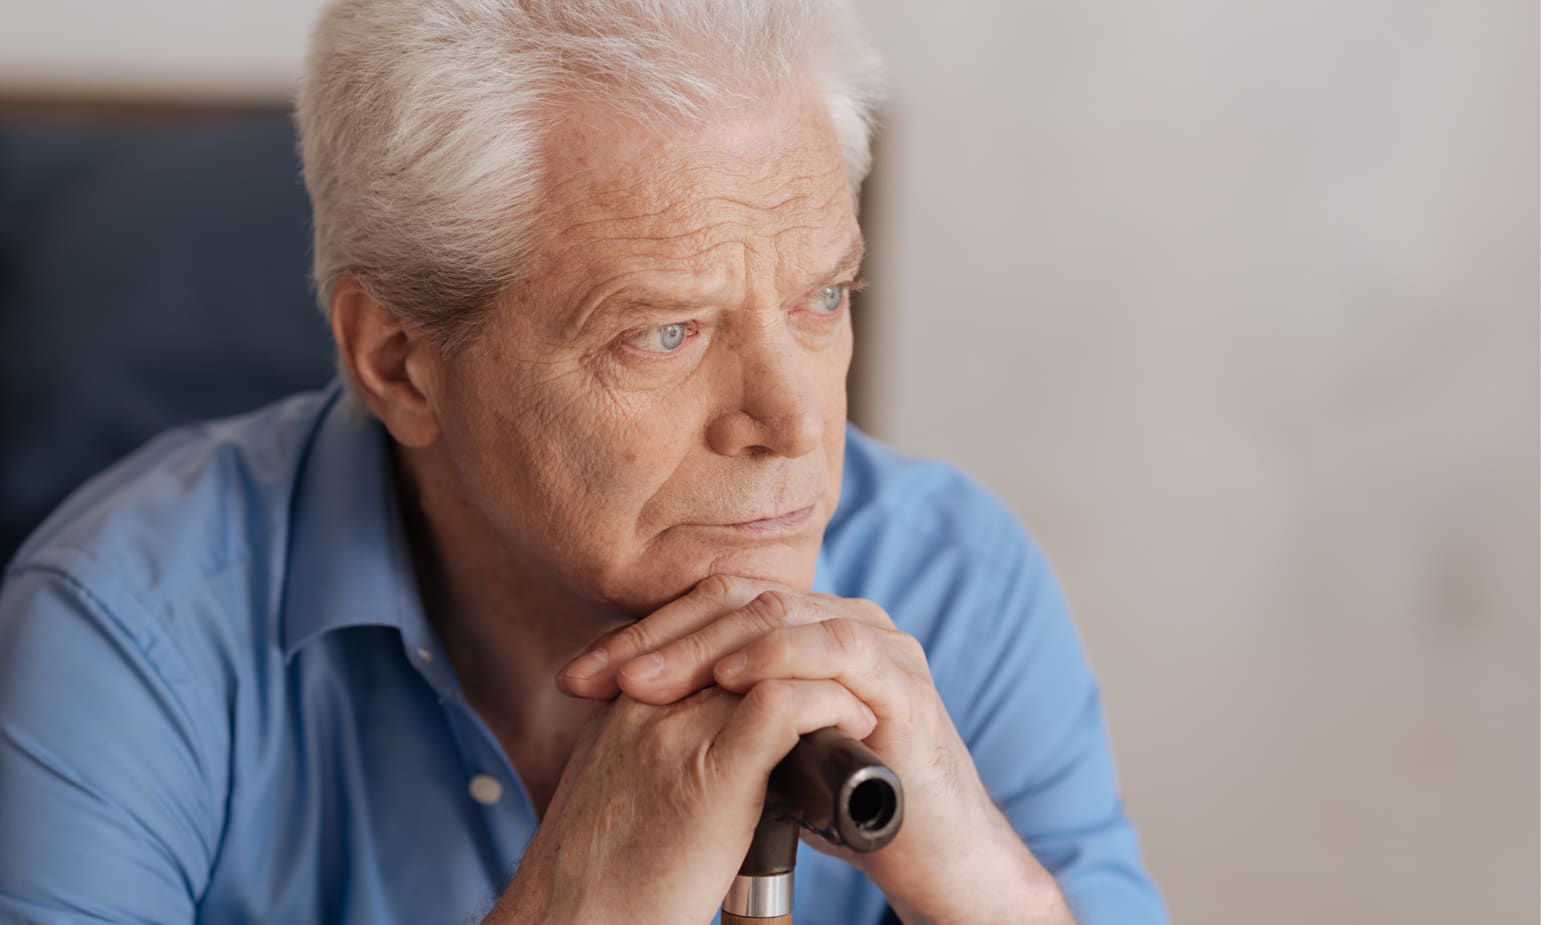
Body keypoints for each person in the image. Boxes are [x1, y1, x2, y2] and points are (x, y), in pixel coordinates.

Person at [0, 1, 1166, 922]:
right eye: (665, 330)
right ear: (400, 360)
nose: (793, 420)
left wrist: (989, 893)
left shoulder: (957, 582)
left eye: (821, 298)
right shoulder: (121, 635)